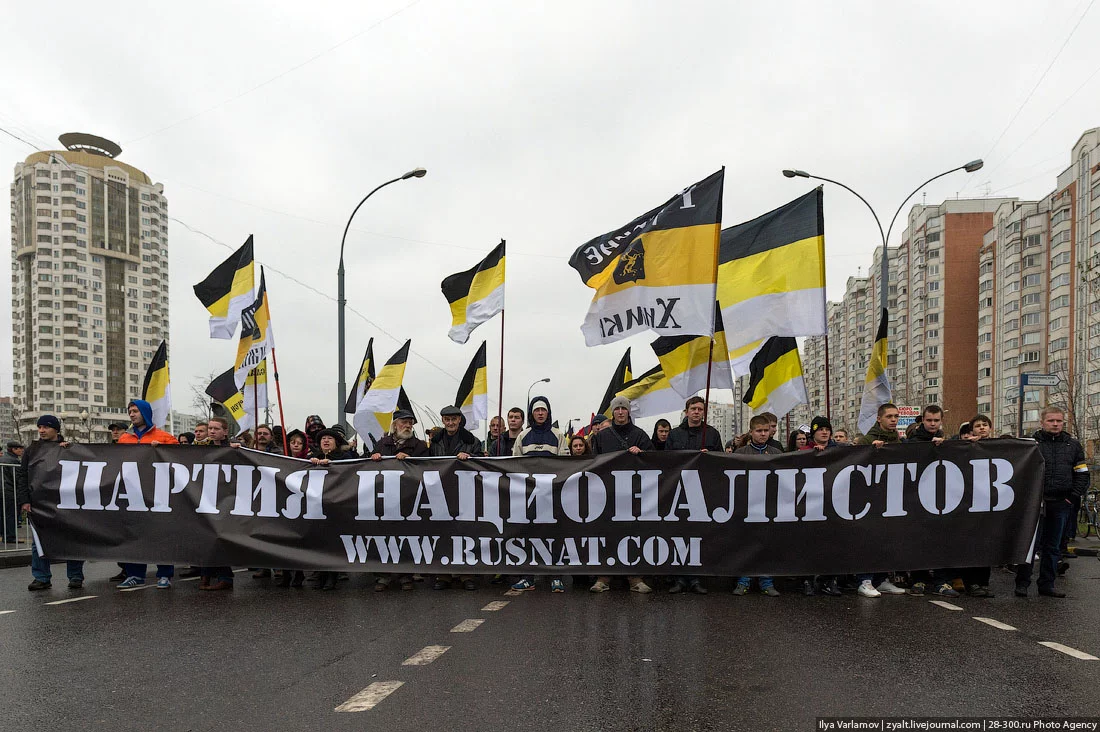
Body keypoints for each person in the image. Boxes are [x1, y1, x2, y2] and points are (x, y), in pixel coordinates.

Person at [1015, 407, 1088, 599]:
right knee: (1030, 545)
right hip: (1035, 502)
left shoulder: (1073, 445)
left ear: (1063, 422)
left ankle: (1047, 584)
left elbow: (1082, 474)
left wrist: (1072, 497)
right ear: (1042, 422)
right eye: (1051, 420)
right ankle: (1022, 583)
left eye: (1059, 421)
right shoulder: (1031, 444)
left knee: (1053, 547)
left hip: (1061, 502)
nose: (1055, 424)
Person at [590, 396, 653, 594]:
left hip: (633, 495)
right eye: (616, 409)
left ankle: (634, 577)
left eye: (623, 409)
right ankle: (603, 577)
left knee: (632, 535)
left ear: (628, 411)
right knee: (606, 534)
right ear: (613, 412)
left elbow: (654, 461)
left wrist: (642, 453)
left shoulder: (639, 435)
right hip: (608, 494)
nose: (620, 412)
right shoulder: (602, 437)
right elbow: (594, 463)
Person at [116, 400, 179, 589]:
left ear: (145, 413)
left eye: (135, 411)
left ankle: (165, 574)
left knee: (161, 534)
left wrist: (164, 451)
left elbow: (181, 459)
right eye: (130, 411)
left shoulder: (164, 437)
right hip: (133, 494)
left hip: (159, 493)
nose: (132, 414)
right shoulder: (124, 439)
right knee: (133, 534)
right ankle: (135, 574)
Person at [19, 415, 85, 591]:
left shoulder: (67, 448)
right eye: (39, 427)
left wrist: (69, 450)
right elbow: (23, 475)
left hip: (66, 501)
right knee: (39, 541)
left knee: (72, 538)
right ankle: (41, 577)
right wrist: (24, 500)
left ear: (56, 429)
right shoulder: (32, 450)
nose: (41, 430)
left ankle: (75, 576)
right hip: (40, 502)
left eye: (46, 427)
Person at [510, 397, 569, 592]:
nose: (541, 413)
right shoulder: (523, 436)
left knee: (554, 536)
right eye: (537, 410)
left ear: (548, 412)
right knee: (528, 535)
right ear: (532, 413)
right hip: (529, 496)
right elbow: (514, 465)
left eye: (544, 410)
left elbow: (566, 465)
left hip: (552, 496)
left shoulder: (558, 435)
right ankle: (528, 577)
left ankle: (556, 577)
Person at [367, 409, 429, 592]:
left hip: (408, 499)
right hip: (384, 498)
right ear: (395, 425)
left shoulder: (419, 446)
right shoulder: (382, 444)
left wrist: (411, 461)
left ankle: (405, 575)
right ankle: (383, 575)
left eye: (410, 423)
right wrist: (373, 458)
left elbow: (428, 466)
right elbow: (365, 466)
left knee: (406, 538)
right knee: (383, 537)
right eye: (404, 422)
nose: (407, 426)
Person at [665, 397, 721, 594]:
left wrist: (710, 457)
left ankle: (696, 578)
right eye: (693, 408)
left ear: (704, 412)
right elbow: (666, 461)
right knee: (679, 535)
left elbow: (722, 461)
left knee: (699, 535)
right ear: (686, 411)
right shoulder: (674, 434)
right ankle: (679, 578)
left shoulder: (712, 434)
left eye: (700, 409)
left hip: (702, 491)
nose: (697, 412)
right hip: (678, 491)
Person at [902, 405, 957, 598]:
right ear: (922, 421)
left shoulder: (945, 441)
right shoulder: (913, 442)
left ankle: (942, 581)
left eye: (936, 420)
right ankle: (920, 578)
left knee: (942, 540)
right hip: (917, 499)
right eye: (929, 420)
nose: (932, 424)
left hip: (941, 499)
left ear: (941, 421)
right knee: (920, 540)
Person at [431, 406, 483, 590]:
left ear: (460, 420)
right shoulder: (435, 442)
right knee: (443, 534)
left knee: (465, 534)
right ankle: (443, 575)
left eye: (454, 419)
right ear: (443, 421)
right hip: (441, 493)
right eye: (447, 420)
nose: (451, 423)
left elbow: (482, 463)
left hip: (465, 494)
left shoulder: (472, 441)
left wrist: (470, 457)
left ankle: (466, 574)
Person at [309, 428, 358, 591]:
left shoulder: (344, 457)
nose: (326, 440)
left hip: (337, 505)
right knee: (318, 542)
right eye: (323, 438)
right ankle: (320, 574)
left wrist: (332, 465)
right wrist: (311, 463)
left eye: (330, 438)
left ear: (336, 443)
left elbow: (351, 472)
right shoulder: (312, 457)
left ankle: (332, 576)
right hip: (316, 506)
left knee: (333, 542)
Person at [194, 417, 237, 589]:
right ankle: (206, 573)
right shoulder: (203, 449)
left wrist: (237, 449)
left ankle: (225, 576)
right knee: (206, 536)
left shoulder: (232, 448)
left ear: (225, 431)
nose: (212, 431)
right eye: (210, 428)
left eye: (216, 429)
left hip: (226, 498)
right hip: (207, 497)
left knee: (219, 537)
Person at [958, 414, 994, 597]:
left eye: (985, 424)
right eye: (978, 425)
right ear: (972, 430)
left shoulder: (998, 446)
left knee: (987, 544)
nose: (982, 428)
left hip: (989, 503)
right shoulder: (966, 447)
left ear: (990, 428)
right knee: (971, 544)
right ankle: (971, 582)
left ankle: (983, 582)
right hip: (970, 502)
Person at [2, 441, 23, 544]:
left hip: (3, 491)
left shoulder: (2, 459)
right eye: (19, 448)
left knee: (3, 514)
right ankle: (10, 537)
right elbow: (18, 478)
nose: (21, 450)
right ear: (13, 449)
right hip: (10, 491)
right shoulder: (13, 461)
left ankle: (4, 535)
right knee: (11, 515)